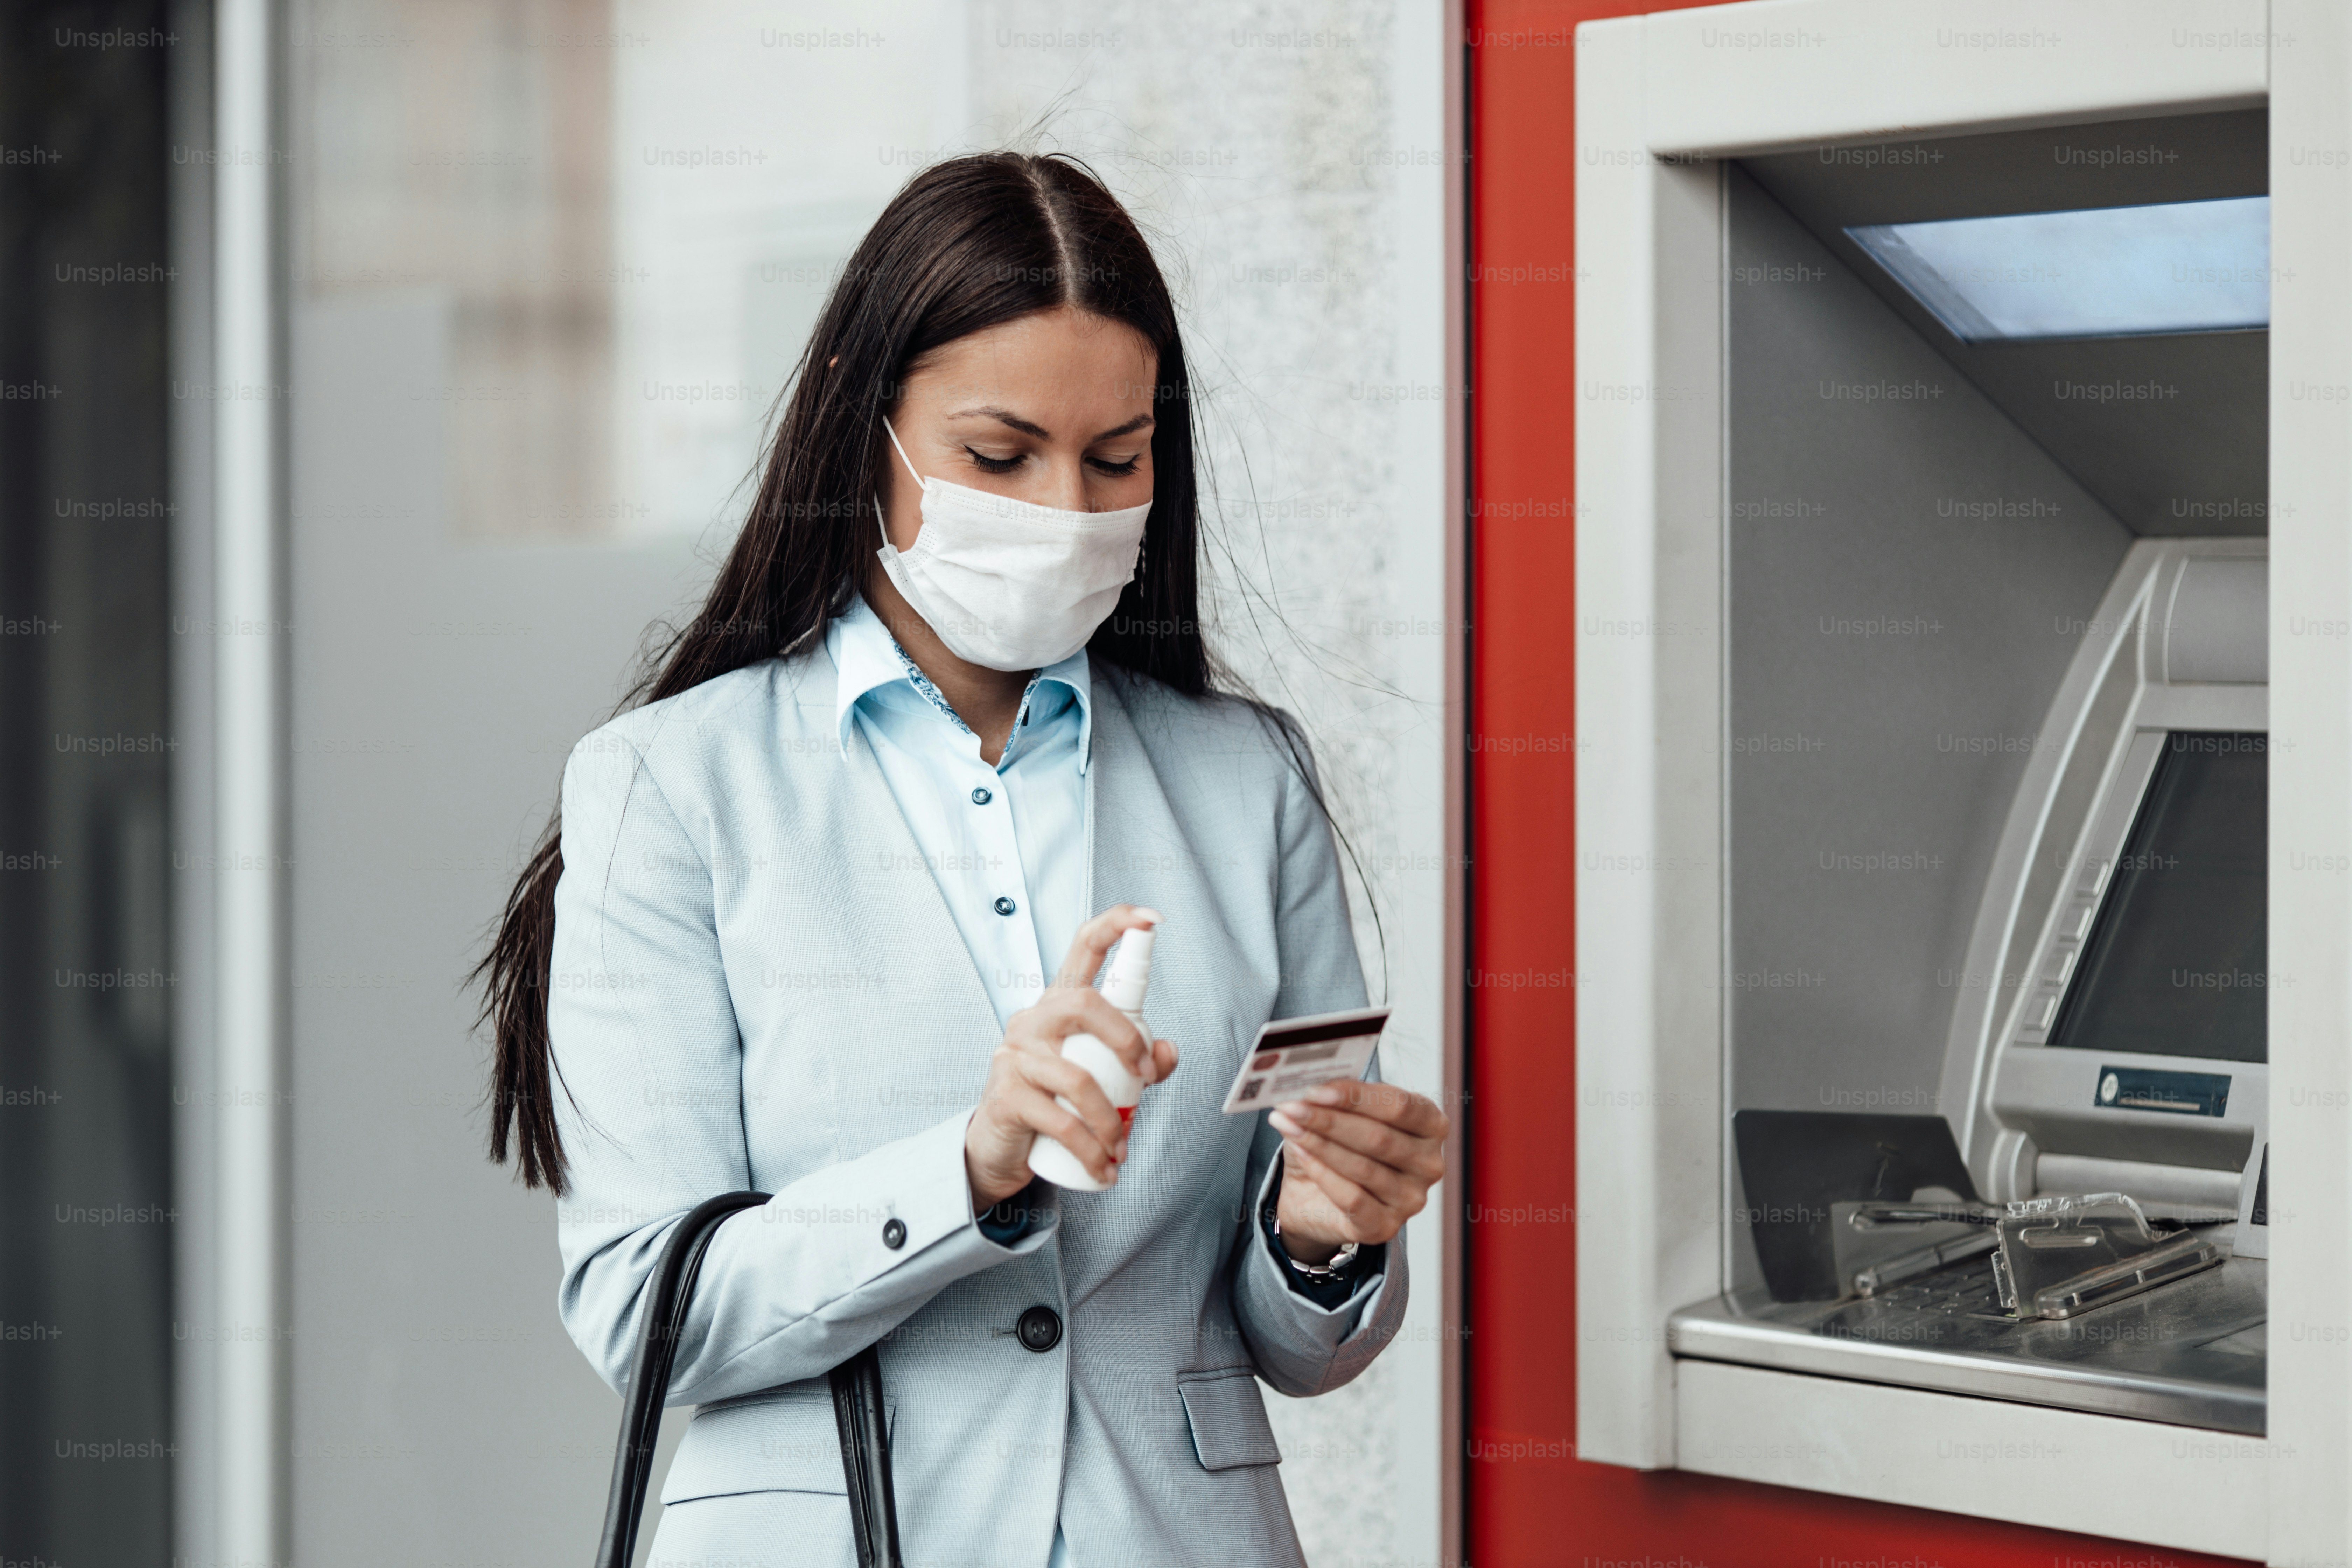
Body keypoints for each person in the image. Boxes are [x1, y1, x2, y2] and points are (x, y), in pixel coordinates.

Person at [478, 151, 1449, 1568]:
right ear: (863, 430)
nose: (1065, 507)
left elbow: (1297, 1343)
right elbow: (648, 1316)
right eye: (1002, 456)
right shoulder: (676, 784)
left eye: (1117, 457)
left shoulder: (1250, 782)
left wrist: (1324, 1235)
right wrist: (972, 1169)